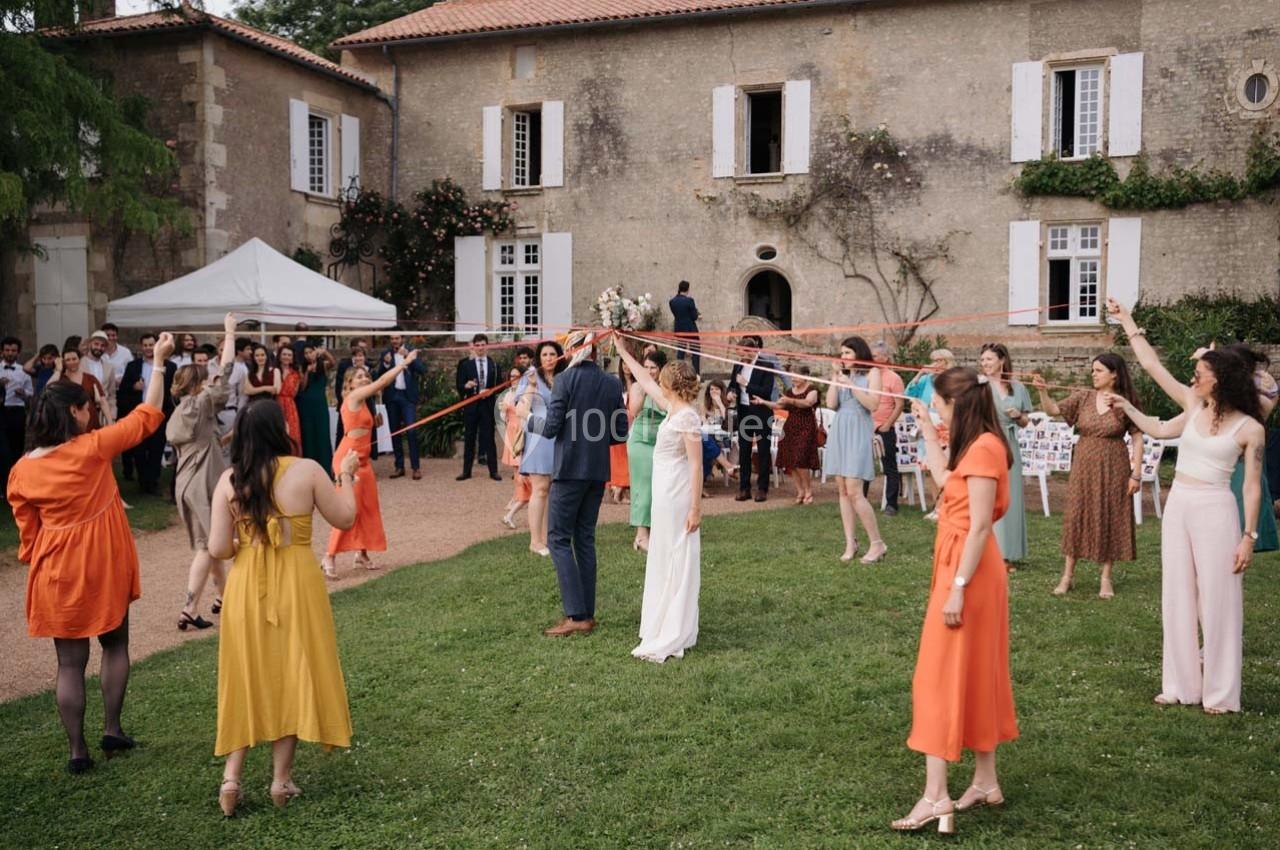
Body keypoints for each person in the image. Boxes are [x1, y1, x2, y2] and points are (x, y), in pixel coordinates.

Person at [7, 332, 175, 774]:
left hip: (55, 567)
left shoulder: (22, 469)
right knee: (115, 643)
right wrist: (158, 361)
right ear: (75, 412)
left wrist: (38, 553)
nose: (90, 412)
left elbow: (28, 531)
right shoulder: (91, 449)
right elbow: (148, 415)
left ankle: (77, 751)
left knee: (69, 662)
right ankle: (112, 728)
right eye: (85, 407)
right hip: (100, 560)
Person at [1106, 299, 1264, 714]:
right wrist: (1128, 323)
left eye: (1200, 374)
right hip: (1178, 505)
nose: (1193, 378)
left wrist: (1249, 537)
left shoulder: (1251, 428)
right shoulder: (1194, 404)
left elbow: (1250, 488)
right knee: (1176, 594)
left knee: (1218, 598)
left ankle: (1220, 693)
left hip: (1217, 510)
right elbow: (1156, 399)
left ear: (1222, 381)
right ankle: (1180, 685)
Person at [207, 402, 358, 816]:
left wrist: (248, 542)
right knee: (292, 670)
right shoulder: (307, 470)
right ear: (281, 429)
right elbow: (345, 517)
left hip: (245, 587)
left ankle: (232, 778)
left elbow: (218, 548)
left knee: (246, 673)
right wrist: (346, 474)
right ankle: (280, 780)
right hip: (295, 584)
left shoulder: (228, 480)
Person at [893, 367, 1018, 834]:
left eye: (941, 405)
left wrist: (958, 588)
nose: (940, 412)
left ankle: (935, 796)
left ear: (959, 404)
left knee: (937, 676)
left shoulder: (985, 448)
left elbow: (982, 524)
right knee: (974, 671)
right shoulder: (975, 444)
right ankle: (985, 781)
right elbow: (947, 480)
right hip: (959, 562)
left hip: (970, 569)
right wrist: (925, 426)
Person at [525, 331, 628, 636]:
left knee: (557, 538)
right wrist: (594, 443)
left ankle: (576, 615)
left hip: (569, 470)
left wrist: (528, 419)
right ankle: (586, 613)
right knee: (584, 539)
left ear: (571, 352)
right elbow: (620, 431)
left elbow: (553, 426)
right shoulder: (611, 382)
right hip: (597, 472)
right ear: (595, 353)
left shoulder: (565, 381)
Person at [616, 345, 703, 662]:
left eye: (662, 378)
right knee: (664, 554)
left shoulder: (688, 417)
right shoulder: (672, 407)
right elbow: (644, 378)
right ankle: (662, 617)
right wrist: (622, 350)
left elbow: (696, 466)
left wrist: (696, 508)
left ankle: (675, 624)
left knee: (677, 554)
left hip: (678, 494)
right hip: (663, 493)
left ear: (671, 384)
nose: (657, 382)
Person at [1033, 354, 1144, 599]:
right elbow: (1052, 410)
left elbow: (1137, 436)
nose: (1093, 374)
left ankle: (1106, 578)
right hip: (1084, 464)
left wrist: (1136, 474)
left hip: (1114, 465)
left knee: (1110, 515)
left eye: (1099, 370)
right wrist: (1043, 391)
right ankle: (1067, 576)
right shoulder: (1083, 397)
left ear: (1114, 374)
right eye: (1092, 370)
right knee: (1077, 514)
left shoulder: (1125, 402)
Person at [167, 314, 237, 631]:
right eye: (204, 377)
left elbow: (198, 442)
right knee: (208, 546)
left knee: (212, 543)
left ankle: (226, 598)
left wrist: (225, 437)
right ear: (197, 384)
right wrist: (230, 333)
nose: (210, 379)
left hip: (185, 482)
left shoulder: (179, 411)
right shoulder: (203, 401)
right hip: (204, 483)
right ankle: (189, 607)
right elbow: (228, 369)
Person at [322, 350, 420, 577]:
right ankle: (329, 555)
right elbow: (383, 381)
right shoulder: (354, 397)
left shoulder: (363, 401)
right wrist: (404, 362)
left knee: (367, 508)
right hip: (349, 461)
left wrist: (373, 423)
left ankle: (362, 553)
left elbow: (360, 425)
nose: (364, 379)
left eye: (365, 376)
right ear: (350, 383)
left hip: (363, 461)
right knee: (347, 510)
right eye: (359, 377)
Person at [823, 336, 887, 563]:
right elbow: (831, 404)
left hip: (858, 429)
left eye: (848, 353)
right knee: (841, 490)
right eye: (842, 354)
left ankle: (877, 543)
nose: (844, 357)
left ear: (859, 353)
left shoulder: (873, 373)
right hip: (840, 428)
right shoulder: (843, 375)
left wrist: (850, 385)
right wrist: (835, 378)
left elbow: (873, 404)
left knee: (855, 491)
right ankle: (850, 541)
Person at [979, 342, 1032, 570]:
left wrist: (1018, 415)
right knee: (986, 497)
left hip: (1009, 446)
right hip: (986, 444)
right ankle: (986, 553)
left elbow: (1026, 422)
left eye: (989, 359)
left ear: (1002, 361)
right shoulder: (979, 386)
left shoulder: (1017, 387)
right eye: (982, 360)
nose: (985, 364)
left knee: (1008, 497)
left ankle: (1006, 553)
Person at [1223, 344, 1278, 552]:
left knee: (1244, 499)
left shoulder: (1253, 396)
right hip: (1234, 462)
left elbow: (1268, 405)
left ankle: (1246, 538)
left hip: (1242, 462)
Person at [515, 340, 566, 556]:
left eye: (552, 354)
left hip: (559, 437)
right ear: (539, 357)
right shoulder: (530, 378)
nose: (548, 358)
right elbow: (520, 409)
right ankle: (535, 541)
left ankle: (547, 538)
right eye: (544, 354)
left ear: (559, 356)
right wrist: (532, 386)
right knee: (540, 488)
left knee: (552, 490)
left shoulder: (564, 378)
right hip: (538, 438)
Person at [117, 333, 176, 496]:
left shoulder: (170, 366)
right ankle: (143, 481)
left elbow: (173, 392)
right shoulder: (133, 366)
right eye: (146, 345)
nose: (149, 348)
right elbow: (122, 390)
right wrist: (133, 387)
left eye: (151, 345)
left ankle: (153, 482)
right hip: (139, 414)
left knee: (157, 449)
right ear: (141, 347)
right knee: (139, 450)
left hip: (159, 414)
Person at [905, 348, 956, 520]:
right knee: (930, 467)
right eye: (933, 360)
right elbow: (909, 393)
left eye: (939, 360)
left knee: (944, 466)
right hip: (927, 424)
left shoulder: (951, 379)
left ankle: (947, 506)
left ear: (946, 362)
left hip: (944, 424)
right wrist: (919, 374)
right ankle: (937, 506)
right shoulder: (927, 379)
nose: (935, 364)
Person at [627, 349, 668, 551]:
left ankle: (655, 531)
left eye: (653, 367)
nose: (649, 371)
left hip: (662, 442)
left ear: (661, 369)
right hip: (641, 441)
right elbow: (633, 411)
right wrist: (644, 390)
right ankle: (641, 535)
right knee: (644, 486)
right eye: (646, 367)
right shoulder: (637, 386)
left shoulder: (667, 387)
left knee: (660, 487)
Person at [763, 366, 821, 504]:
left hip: (806, 426)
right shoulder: (789, 391)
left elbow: (807, 403)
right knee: (790, 460)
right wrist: (763, 402)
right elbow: (779, 405)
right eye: (792, 376)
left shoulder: (812, 390)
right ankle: (800, 490)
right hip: (790, 427)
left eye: (796, 376)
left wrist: (791, 401)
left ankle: (808, 490)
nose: (793, 379)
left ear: (805, 376)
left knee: (800, 458)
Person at [729, 336, 777, 502]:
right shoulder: (738, 365)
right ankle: (744, 488)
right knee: (744, 450)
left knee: (763, 451)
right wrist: (731, 392)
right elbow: (732, 384)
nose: (740, 357)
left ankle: (762, 489)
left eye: (742, 354)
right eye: (739, 354)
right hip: (744, 411)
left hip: (762, 412)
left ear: (752, 351)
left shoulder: (766, 365)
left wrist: (746, 384)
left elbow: (766, 391)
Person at [864, 341, 906, 515]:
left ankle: (891, 504)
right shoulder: (866, 376)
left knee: (889, 466)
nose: (871, 359)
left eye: (875, 356)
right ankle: (861, 500)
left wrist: (888, 424)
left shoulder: (893, 378)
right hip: (866, 427)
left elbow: (899, 404)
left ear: (885, 358)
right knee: (864, 465)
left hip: (884, 427)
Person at [379, 332, 427, 480]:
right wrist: (385, 364)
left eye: (397, 338)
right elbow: (378, 376)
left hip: (407, 398)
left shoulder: (411, 352)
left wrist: (408, 357)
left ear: (402, 339)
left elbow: (422, 370)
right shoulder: (385, 354)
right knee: (395, 432)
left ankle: (415, 467)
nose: (395, 341)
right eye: (392, 338)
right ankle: (399, 466)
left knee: (411, 431)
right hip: (392, 397)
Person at [456, 334, 501, 481]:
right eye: (478, 345)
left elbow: (499, 386)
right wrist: (466, 386)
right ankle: (466, 471)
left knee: (489, 438)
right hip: (471, 406)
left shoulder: (494, 365)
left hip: (487, 406)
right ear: (473, 347)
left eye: (483, 345)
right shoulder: (465, 365)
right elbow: (459, 386)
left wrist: (491, 391)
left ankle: (493, 471)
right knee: (469, 438)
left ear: (487, 346)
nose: (480, 348)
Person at [499, 367, 532, 529]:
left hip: (523, 431)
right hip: (513, 433)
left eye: (516, 376)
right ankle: (516, 498)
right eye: (511, 376)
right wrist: (503, 411)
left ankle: (516, 502)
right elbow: (503, 417)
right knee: (518, 470)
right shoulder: (508, 394)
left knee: (522, 472)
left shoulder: (525, 393)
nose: (513, 378)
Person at [298, 343, 336, 475]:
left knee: (322, 434)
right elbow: (301, 387)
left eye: (310, 352)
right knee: (308, 435)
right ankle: (309, 469)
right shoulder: (302, 368)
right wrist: (307, 373)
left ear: (315, 351)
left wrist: (323, 352)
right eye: (306, 353)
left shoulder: (322, 365)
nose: (309, 355)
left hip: (320, 404)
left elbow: (332, 362)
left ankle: (326, 469)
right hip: (305, 404)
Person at [56, 346, 108, 430]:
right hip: (70, 425)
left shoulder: (90, 378)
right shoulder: (60, 380)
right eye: (68, 360)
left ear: (79, 360)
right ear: (63, 362)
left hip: (92, 423)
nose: (72, 362)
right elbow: (47, 388)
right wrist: (58, 370)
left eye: (74, 359)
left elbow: (103, 402)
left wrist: (110, 422)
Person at [2, 336, 35, 470]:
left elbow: (31, 393)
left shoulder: (24, 371)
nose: (10, 353)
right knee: (3, 450)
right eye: (7, 350)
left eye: (13, 350)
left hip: (17, 412)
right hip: (1, 411)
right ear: (2, 352)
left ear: (18, 352)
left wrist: (24, 394)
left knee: (17, 447)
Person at [608, 360, 632, 503]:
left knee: (629, 457)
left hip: (634, 422)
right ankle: (617, 487)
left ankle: (620, 489)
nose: (626, 367)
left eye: (628, 363)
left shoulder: (638, 383)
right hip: (620, 422)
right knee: (619, 456)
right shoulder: (617, 383)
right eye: (623, 364)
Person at [82, 331, 119, 423]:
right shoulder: (79, 364)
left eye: (102, 345)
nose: (99, 347)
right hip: (83, 413)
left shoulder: (109, 367)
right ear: (90, 344)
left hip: (103, 415)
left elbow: (112, 394)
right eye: (96, 344)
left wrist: (112, 415)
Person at [669, 279, 701, 373]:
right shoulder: (689, 300)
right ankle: (696, 374)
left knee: (680, 352)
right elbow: (694, 316)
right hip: (690, 329)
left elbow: (675, 314)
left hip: (679, 329)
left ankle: (679, 373)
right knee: (695, 352)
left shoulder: (672, 301)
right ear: (688, 289)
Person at [277, 346, 303, 455]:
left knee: (292, 434)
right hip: (276, 403)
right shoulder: (273, 370)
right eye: (284, 354)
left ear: (292, 358)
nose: (286, 357)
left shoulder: (296, 374)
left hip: (290, 406)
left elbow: (295, 393)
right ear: (279, 356)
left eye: (289, 355)